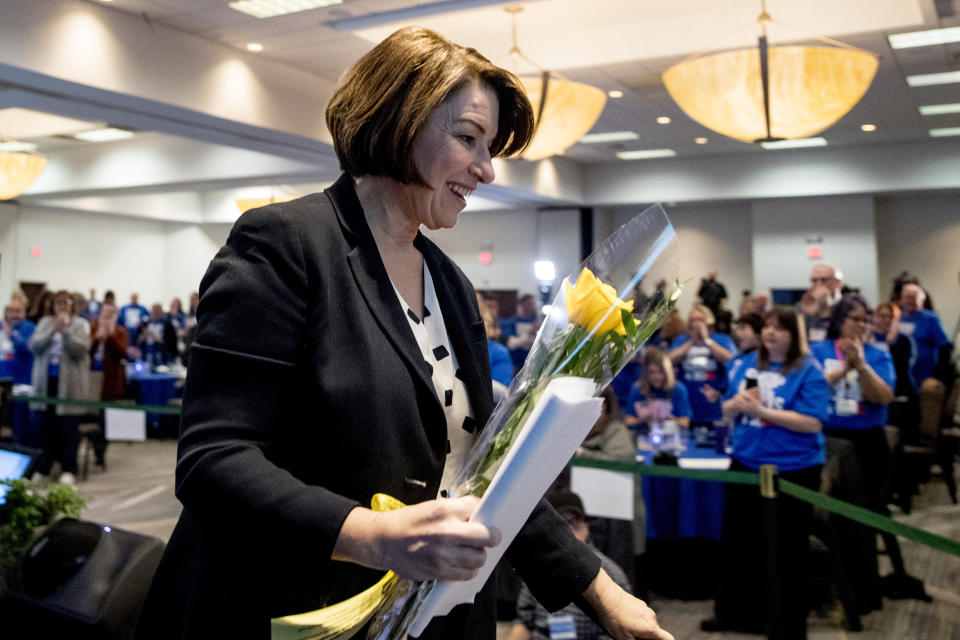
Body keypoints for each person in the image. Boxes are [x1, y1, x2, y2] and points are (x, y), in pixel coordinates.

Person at [135, 26, 671, 640]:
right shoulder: (284, 244)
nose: (487, 169)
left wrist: (600, 591)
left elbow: (486, 467)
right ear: (398, 122)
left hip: (422, 616)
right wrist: (375, 536)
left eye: (490, 146)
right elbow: (214, 461)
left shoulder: (452, 285)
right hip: (288, 609)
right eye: (468, 138)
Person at [702, 306, 829, 638]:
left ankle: (786, 625)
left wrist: (763, 411)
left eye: (780, 328)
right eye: (768, 327)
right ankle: (741, 615)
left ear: (793, 334)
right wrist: (736, 405)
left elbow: (813, 422)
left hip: (793, 469)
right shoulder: (742, 363)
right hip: (746, 463)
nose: (771, 332)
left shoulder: (808, 370)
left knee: (786, 551)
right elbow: (726, 411)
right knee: (740, 544)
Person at [810, 294, 895, 613]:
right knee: (827, 521)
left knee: (861, 521)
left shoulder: (878, 353)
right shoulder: (818, 352)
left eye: (866, 319)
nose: (862, 325)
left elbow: (884, 395)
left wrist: (860, 366)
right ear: (840, 319)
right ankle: (825, 588)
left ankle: (861, 594)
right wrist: (843, 367)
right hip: (828, 442)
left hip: (866, 445)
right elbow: (813, 387)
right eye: (855, 318)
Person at [508, 491, 633, 640]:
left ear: (586, 526)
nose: (570, 531)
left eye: (575, 522)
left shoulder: (612, 574)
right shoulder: (536, 569)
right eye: (562, 524)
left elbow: (621, 631)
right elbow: (523, 621)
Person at [27, 290, 91, 485]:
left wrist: (65, 332)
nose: (62, 307)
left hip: (69, 385)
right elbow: (34, 346)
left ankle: (69, 469)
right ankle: (44, 468)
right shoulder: (45, 323)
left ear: (71, 305)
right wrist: (52, 330)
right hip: (46, 384)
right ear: (53, 306)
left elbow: (80, 349)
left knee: (68, 429)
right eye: (58, 303)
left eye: (65, 303)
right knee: (45, 427)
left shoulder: (80, 324)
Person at [668, 305, 735, 428]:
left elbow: (732, 362)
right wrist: (691, 342)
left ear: (708, 322)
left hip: (714, 403)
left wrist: (707, 341)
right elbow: (668, 361)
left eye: (700, 320)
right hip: (688, 405)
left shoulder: (722, 339)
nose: (696, 324)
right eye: (693, 320)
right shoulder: (681, 340)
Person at [88, 301, 130, 467]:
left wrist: (110, 335)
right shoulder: (92, 329)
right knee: (91, 418)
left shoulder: (121, 332)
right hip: (92, 380)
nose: (107, 317)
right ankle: (95, 445)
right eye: (105, 313)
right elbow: (87, 352)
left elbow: (122, 353)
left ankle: (101, 452)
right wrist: (98, 337)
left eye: (111, 314)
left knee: (105, 421)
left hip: (110, 383)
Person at [624, 347, 691, 433]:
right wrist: (647, 419)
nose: (657, 377)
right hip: (644, 434)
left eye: (661, 372)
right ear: (646, 373)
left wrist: (670, 419)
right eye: (652, 372)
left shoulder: (678, 389)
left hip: (671, 435)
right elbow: (629, 421)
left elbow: (685, 422)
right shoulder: (637, 389)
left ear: (667, 372)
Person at [798, 263, 843, 342]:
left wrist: (825, 309)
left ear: (837, 282)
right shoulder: (801, 307)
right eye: (814, 280)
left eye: (824, 280)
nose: (819, 284)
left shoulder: (845, 306)